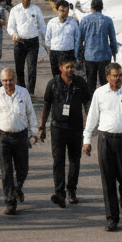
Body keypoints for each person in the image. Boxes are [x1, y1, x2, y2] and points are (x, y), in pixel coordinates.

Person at [84, 62, 122, 231]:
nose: (118, 79)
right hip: (105, 141)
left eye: (120, 75)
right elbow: (92, 118)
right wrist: (87, 139)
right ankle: (112, 218)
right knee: (108, 181)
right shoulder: (99, 93)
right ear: (107, 76)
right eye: (115, 76)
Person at [0, 66, 38, 216]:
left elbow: (30, 112)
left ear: (15, 79)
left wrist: (34, 132)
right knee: (6, 171)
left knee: (23, 169)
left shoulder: (23, 92)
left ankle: (17, 187)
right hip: (3, 138)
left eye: (10, 80)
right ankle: (10, 202)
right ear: (1, 81)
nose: (8, 83)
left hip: (21, 136)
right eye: (5, 80)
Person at [39, 57, 90, 209]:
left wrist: (89, 123)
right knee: (58, 161)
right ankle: (59, 193)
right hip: (57, 128)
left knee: (75, 160)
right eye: (68, 67)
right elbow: (47, 105)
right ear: (60, 67)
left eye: (73, 67)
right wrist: (42, 127)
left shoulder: (80, 83)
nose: (71, 70)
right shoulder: (53, 84)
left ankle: (72, 191)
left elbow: (87, 102)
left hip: (76, 128)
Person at [6, 0, 45, 95]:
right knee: (19, 69)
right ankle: (22, 91)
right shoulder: (15, 10)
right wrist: (14, 35)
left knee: (32, 69)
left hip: (33, 43)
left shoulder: (36, 9)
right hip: (20, 43)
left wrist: (44, 42)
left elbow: (42, 26)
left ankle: (31, 92)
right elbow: (10, 27)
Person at [77, 0, 119, 95]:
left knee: (91, 83)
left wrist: (79, 56)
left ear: (91, 8)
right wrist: (114, 54)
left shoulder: (84, 20)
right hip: (104, 57)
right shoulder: (107, 20)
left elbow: (79, 41)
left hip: (90, 56)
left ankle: (92, 104)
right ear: (102, 8)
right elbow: (113, 39)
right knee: (105, 83)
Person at [45, 0, 80, 78]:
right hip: (55, 53)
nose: (63, 13)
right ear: (57, 10)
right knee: (56, 76)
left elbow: (77, 39)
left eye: (66, 11)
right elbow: (47, 38)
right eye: (61, 10)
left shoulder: (73, 22)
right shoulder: (52, 23)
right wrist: (49, 52)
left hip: (69, 52)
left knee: (69, 76)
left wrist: (76, 54)